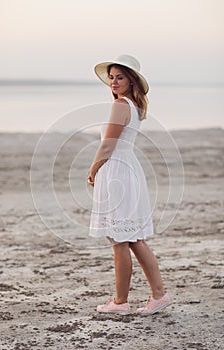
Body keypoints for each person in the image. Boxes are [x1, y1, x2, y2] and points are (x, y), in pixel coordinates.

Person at [87, 55, 171, 315]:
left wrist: (92, 169)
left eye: (119, 77)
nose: (113, 81)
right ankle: (158, 295)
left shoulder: (121, 105)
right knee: (133, 239)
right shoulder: (133, 106)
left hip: (117, 173)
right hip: (127, 169)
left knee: (121, 241)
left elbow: (108, 144)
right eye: (111, 77)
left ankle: (121, 302)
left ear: (131, 80)